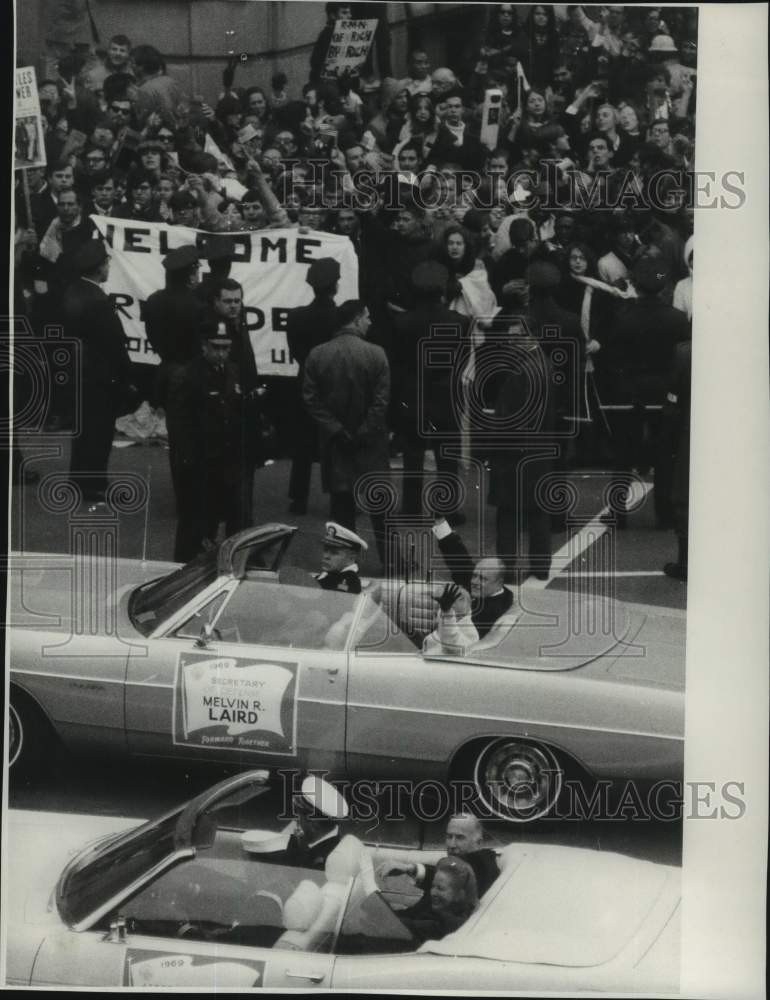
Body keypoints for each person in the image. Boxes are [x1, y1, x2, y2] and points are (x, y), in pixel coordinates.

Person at [303, 300, 396, 574]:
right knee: (380, 505)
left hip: (336, 444)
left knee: (342, 506)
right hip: (371, 443)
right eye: (367, 317)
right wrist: (365, 430)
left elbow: (311, 400)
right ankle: (391, 561)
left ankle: (344, 562)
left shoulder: (317, 354)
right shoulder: (377, 354)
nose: (370, 322)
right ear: (356, 320)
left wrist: (335, 429)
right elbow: (381, 401)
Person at [389, 261, 470, 521]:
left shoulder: (402, 322)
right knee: (447, 454)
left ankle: (411, 508)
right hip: (445, 393)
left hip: (412, 392)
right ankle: (446, 509)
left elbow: (397, 363)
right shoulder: (460, 322)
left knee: (413, 454)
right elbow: (463, 359)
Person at [164, 320, 247, 561]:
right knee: (194, 524)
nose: (221, 353)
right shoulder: (188, 376)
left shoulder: (232, 371)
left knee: (226, 518)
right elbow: (180, 426)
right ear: (203, 347)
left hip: (226, 461)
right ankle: (183, 566)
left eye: (226, 347)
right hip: (199, 463)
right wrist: (187, 464)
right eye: (216, 347)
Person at [63, 240, 135, 508]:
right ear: (98, 267)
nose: (108, 268)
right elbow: (114, 344)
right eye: (106, 263)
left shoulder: (74, 291)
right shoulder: (98, 301)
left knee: (83, 432)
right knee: (99, 433)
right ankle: (94, 484)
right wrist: (128, 376)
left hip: (80, 372)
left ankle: (79, 479)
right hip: (99, 376)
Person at [285, 257, 341, 515]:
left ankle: (299, 498)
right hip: (334, 383)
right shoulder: (340, 317)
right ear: (336, 286)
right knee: (334, 440)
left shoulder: (296, 317)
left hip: (305, 379)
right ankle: (337, 494)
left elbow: (296, 352)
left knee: (302, 443)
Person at [423, 517, 520, 655]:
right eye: (475, 575)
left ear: (499, 583)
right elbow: (459, 558)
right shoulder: (486, 586)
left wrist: (445, 612)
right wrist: (440, 522)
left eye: (482, 579)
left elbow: (457, 640)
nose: (474, 581)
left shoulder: (492, 612)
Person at [379, 813, 500, 901]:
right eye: (449, 837)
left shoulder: (481, 863)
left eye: (460, 838)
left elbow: (453, 879)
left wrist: (411, 869)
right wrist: (411, 869)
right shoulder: (459, 863)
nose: (451, 845)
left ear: (478, 843)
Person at [241, 775, 349, 869]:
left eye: (298, 815)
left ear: (312, 823)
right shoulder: (326, 843)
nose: (295, 820)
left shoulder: (322, 862)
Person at [399, 856, 479, 944]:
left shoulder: (449, 923)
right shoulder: (442, 909)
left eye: (440, 888)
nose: (433, 892)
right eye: (433, 886)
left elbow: (409, 926)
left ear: (459, 895)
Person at [313, 521, 367, 594]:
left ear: (351, 558)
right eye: (326, 550)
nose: (326, 556)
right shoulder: (329, 574)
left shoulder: (349, 581)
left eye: (334, 553)